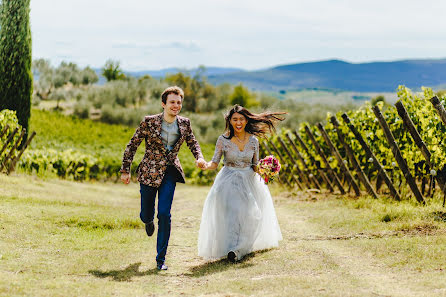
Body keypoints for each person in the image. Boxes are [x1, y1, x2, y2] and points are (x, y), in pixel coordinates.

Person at [120, 86, 206, 270]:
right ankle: (147, 221)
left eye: (179, 102)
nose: (176, 105)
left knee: (165, 214)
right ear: (163, 104)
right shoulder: (149, 122)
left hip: (169, 172)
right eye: (172, 102)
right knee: (146, 213)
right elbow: (132, 145)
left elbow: (193, 142)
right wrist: (125, 170)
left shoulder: (185, 123)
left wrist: (199, 157)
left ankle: (161, 260)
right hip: (149, 172)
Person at [198, 104, 285, 262]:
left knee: (252, 216)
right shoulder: (223, 140)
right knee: (233, 214)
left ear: (246, 121)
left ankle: (242, 246)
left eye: (241, 119)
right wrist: (205, 165)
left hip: (249, 181)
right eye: (235, 119)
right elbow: (215, 163)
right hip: (228, 180)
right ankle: (234, 250)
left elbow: (255, 164)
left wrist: (267, 169)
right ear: (230, 121)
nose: (238, 122)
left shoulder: (253, 141)